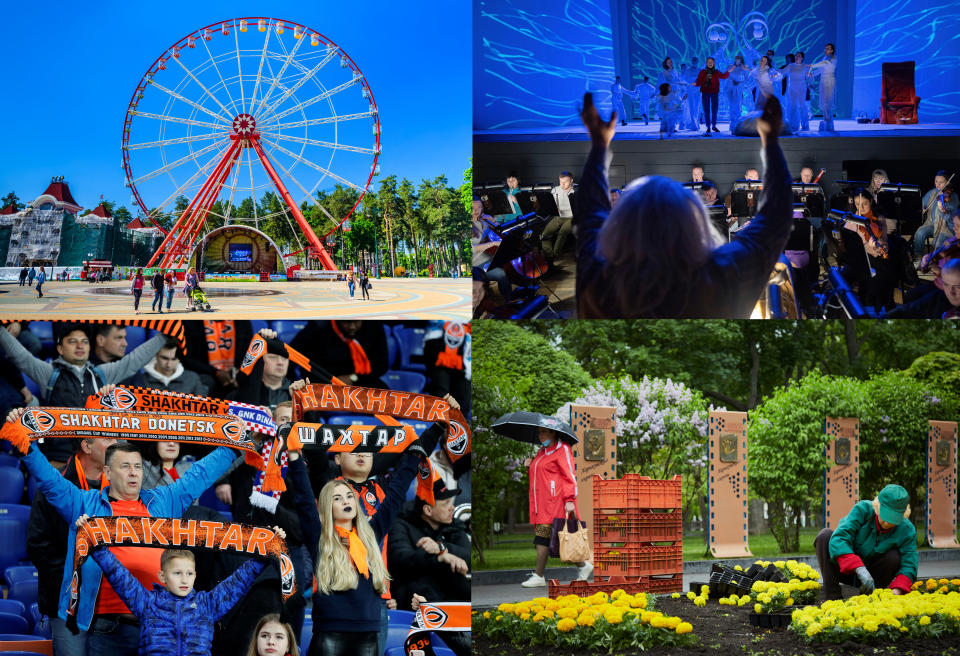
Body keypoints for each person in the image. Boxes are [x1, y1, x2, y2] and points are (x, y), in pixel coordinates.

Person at [4, 413, 239, 656]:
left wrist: (236, 442)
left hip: (155, 626)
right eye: (125, 466)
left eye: (137, 466)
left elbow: (199, 475)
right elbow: (50, 481)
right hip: (104, 625)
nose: (134, 473)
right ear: (108, 471)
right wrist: (23, 439)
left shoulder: (163, 502)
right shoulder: (84, 503)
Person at [574, 92, 792, 318]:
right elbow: (776, 218)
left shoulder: (599, 284)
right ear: (692, 224)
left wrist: (599, 144)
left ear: (621, 226)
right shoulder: (722, 276)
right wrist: (770, 140)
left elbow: (590, 214)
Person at [286, 435, 427, 656]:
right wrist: (294, 456)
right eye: (337, 498)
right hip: (329, 635)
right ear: (326, 507)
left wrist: (414, 456)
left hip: (368, 636)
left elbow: (397, 493)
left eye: (349, 496)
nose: (345, 501)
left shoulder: (372, 534)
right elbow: (304, 497)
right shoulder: (320, 537)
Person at [78, 515, 275, 656]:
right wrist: (94, 539)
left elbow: (238, 582)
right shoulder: (147, 603)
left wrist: (267, 550)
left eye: (189, 574)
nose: (184, 579)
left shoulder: (207, 604)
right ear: (162, 576)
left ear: (195, 575)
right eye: (177, 573)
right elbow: (118, 575)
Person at [0, 323, 166, 467]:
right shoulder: (49, 373)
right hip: (58, 461)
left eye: (84, 342)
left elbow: (134, 360)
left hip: (95, 461)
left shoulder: (102, 374)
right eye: (72, 341)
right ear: (60, 348)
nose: (79, 346)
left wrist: (165, 336)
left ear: (89, 347)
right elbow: (20, 355)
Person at [28, 436, 115, 656]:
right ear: (86, 446)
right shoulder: (55, 485)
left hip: (110, 605)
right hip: (67, 604)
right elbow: (38, 546)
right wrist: (76, 580)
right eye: (108, 438)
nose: (116, 443)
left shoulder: (120, 488)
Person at [814, 484, 916, 600]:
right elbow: (840, 537)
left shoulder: (907, 529)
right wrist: (859, 568)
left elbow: (910, 564)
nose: (887, 523)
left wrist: (896, 592)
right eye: (885, 516)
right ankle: (833, 597)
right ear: (877, 507)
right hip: (847, 569)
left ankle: (872, 598)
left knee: (894, 557)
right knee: (824, 536)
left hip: (874, 577)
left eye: (893, 519)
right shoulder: (862, 509)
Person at [520, 426, 592, 588]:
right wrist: (529, 467)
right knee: (553, 539)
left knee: (546, 538)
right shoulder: (541, 452)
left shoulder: (563, 450)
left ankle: (539, 575)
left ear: (554, 433)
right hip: (542, 504)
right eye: (539, 432)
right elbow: (542, 476)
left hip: (556, 503)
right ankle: (583, 566)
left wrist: (569, 500)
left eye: (544, 432)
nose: (541, 435)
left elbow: (570, 476)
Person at [387, 475, 470, 611]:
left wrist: (441, 548)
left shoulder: (453, 525)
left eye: (451, 502)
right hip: (414, 596)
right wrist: (437, 558)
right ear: (428, 510)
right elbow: (400, 560)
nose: (452, 508)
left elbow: (468, 556)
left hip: (449, 591)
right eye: (446, 503)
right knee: (420, 586)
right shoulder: (401, 525)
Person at [290, 320, 389, 389]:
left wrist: (352, 378)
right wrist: (333, 380)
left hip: (361, 380)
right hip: (324, 381)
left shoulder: (374, 326)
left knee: (387, 401)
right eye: (346, 322)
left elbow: (381, 365)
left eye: (357, 322)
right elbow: (292, 355)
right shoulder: (318, 327)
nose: (352, 327)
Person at [847, 188, 897, 312]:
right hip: (859, 257)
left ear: (871, 201)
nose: (861, 208)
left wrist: (881, 245)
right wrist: (853, 225)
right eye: (857, 204)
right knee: (872, 269)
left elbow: (884, 238)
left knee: (881, 267)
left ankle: (880, 304)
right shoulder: (851, 218)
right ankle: (871, 304)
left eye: (865, 203)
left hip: (876, 255)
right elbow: (849, 242)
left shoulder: (878, 218)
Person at [129, 339, 208, 396]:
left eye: (174, 359)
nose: (169, 364)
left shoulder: (192, 379)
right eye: (164, 358)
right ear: (155, 355)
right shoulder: (139, 380)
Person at [915, 171, 958, 260]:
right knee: (920, 233)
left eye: (941, 182)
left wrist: (942, 209)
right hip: (932, 225)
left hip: (946, 228)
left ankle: (934, 262)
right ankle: (918, 257)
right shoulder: (932, 193)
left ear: (948, 182)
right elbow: (922, 204)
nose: (937, 185)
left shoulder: (953, 197)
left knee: (937, 241)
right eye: (936, 182)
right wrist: (922, 209)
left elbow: (949, 214)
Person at [694, 57, 734, 135]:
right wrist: (695, 83)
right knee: (706, 110)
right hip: (705, 93)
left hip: (714, 93)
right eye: (708, 61)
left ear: (714, 63)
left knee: (714, 110)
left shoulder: (716, 72)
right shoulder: (702, 72)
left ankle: (714, 126)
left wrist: (728, 71)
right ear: (706, 63)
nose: (710, 63)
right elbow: (698, 81)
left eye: (711, 61)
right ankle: (708, 127)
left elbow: (723, 76)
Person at [542, 172, 575, 261]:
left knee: (562, 232)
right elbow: (551, 205)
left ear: (571, 181)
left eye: (565, 182)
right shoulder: (555, 190)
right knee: (545, 233)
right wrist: (554, 208)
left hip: (572, 217)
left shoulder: (577, 190)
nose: (562, 184)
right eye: (561, 182)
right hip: (559, 217)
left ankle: (555, 255)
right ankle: (549, 255)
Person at [808, 43, 837, 132]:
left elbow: (825, 64)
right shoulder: (825, 58)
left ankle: (829, 123)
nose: (826, 50)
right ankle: (827, 122)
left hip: (829, 81)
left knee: (827, 102)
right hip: (823, 81)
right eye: (825, 48)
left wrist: (813, 66)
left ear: (832, 50)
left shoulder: (833, 58)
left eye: (828, 48)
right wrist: (812, 74)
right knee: (824, 102)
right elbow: (821, 69)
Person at [656, 58, 684, 133]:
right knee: (665, 111)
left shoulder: (675, 72)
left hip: (673, 93)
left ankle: (672, 127)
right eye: (668, 62)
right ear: (665, 63)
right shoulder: (662, 74)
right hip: (665, 93)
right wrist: (658, 93)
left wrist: (679, 91)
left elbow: (677, 82)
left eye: (671, 62)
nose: (670, 63)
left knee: (673, 111)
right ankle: (663, 127)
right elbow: (659, 84)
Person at [785, 52, 811, 131]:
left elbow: (809, 76)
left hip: (801, 88)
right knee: (793, 106)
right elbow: (782, 72)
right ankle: (793, 125)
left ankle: (805, 125)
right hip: (792, 88)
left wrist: (810, 82)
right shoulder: (790, 66)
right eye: (796, 55)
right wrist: (772, 71)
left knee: (802, 106)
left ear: (802, 58)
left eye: (799, 56)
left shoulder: (805, 66)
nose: (796, 57)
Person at [725, 54, 750, 125]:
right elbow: (725, 74)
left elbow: (747, 79)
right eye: (736, 58)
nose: (737, 59)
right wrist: (731, 80)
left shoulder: (742, 68)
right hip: (729, 88)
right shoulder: (730, 66)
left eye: (739, 58)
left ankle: (737, 122)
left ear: (741, 60)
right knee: (731, 104)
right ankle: (732, 122)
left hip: (737, 88)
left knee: (737, 104)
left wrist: (739, 82)